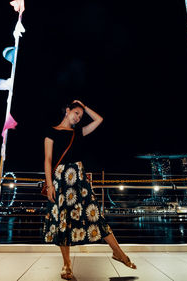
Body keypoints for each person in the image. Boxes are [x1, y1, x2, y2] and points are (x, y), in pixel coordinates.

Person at [43, 100, 136, 280]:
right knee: (63, 221)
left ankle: (119, 253)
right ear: (67, 110)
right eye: (76, 113)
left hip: (79, 179)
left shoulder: (79, 132)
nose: (78, 117)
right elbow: (47, 159)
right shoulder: (51, 131)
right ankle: (67, 265)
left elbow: (99, 119)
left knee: (95, 215)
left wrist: (84, 106)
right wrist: (49, 185)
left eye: (81, 115)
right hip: (60, 180)